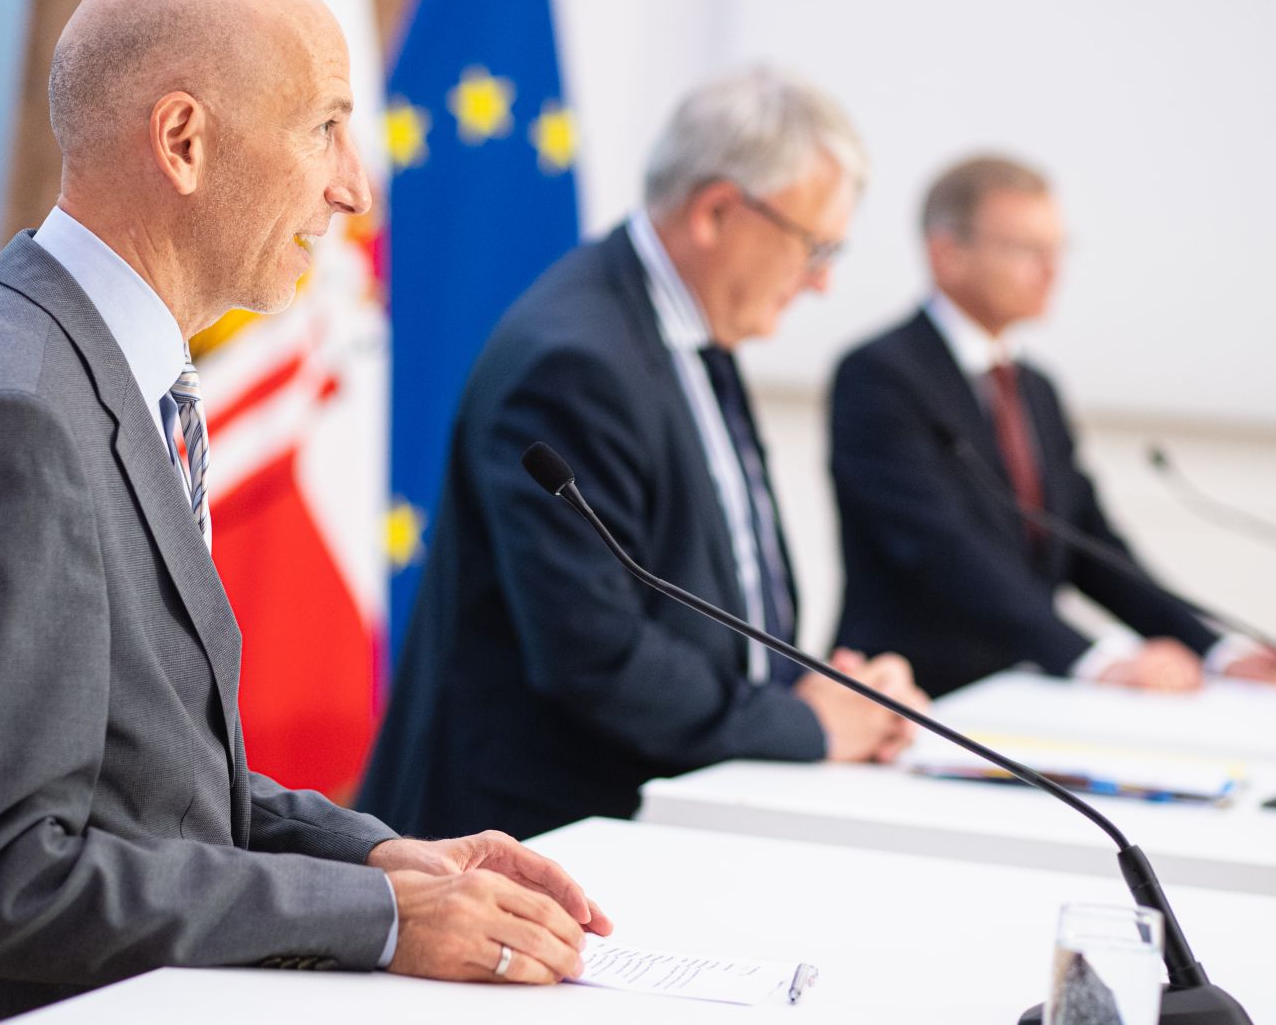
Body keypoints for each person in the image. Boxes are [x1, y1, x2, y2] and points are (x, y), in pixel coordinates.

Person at [0, 0, 608, 1025]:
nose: (354, 188)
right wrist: (374, 921)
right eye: (323, 128)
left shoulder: (81, 367)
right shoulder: (14, 415)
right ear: (184, 143)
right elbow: (7, 877)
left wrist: (387, 860)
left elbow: (146, 784)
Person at [361, 66, 928, 842]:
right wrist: (807, 727)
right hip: (531, 840)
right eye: (813, 246)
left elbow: (706, 598)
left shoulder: (693, 326)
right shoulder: (574, 359)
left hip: (652, 814)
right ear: (718, 212)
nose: (822, 281)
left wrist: (837, 693)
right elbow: (595, 652)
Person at [830, 155, 1276, 697]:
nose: (1052, 269)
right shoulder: (880, 376)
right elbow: (942, 551)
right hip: (919, 695)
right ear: (947, 254)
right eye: (1027, 250)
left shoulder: (1034, 389)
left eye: (1057, 249)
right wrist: (1094, 660)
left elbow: (1089, 544)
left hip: (1028, 690)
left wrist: (1217, 650)